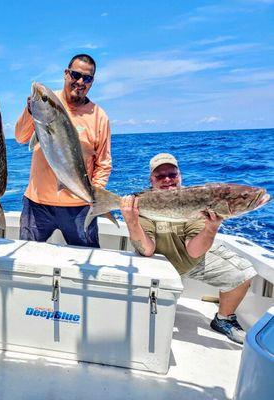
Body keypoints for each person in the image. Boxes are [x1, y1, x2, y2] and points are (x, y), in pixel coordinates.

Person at [120, 153, 257, 344]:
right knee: (143, 325)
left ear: (180, 176)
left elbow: (193, 250)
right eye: (160, 176)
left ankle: (224, 319)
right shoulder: (142, 202)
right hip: (157, 266)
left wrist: (212, 226)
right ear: (151, 179)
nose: (167, 180)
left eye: (172, 174)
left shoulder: (193, 198)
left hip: (193, 261)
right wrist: (131, 221)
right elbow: (147, 250)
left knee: (243, 272)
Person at [14, 54, 111, 247]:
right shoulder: (47, 104)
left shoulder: (99, 117)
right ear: (66, 74)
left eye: (87, 78)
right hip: (37, 203)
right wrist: (30, 111)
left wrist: (95, 196)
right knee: (28, 260)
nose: (80, 81)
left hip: (79, 207)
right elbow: (20, 137)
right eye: (76, 75)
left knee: (85, 268)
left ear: (92, 82)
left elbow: (104, 163)